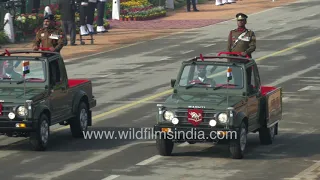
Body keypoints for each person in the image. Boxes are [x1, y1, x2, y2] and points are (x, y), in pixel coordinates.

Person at [227, 13, 256, 85]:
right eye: (238, 20)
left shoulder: (250, 33)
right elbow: (228, 47)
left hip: (245, 59)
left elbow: (253, 46)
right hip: (234, 59)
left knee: (246, 79)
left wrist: (246, 52)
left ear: (245, 22)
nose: (240, 22)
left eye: (242, 20)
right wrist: (229, 60)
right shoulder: (232, 32)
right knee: (237, 79)